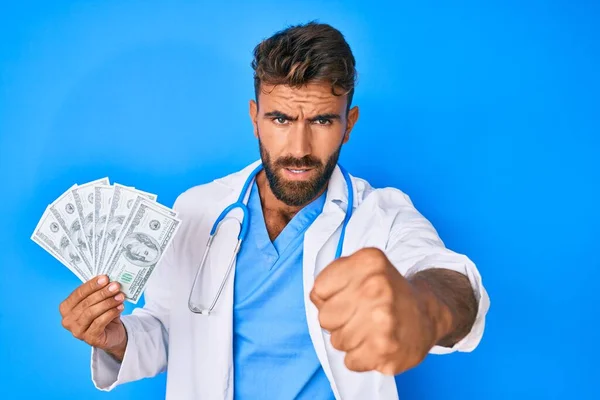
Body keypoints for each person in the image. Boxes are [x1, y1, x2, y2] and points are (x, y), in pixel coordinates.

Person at [58, 21, 490, 399]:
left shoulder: (382, 214)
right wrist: (117, 338)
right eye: (281, 119)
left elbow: (452, 285)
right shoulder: (198, 209)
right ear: (255, 118)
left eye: (321, 121)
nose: (299, 150)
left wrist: (420, 309)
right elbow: (171, 332)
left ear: (349, 125)